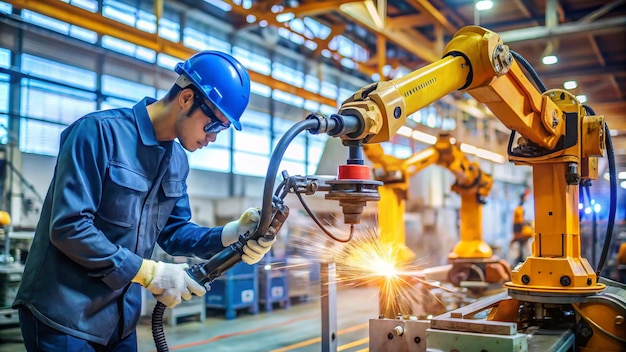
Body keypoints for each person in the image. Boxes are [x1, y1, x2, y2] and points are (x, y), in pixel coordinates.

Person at [12, 50, 276, 351]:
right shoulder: (98, 133)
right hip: (64, 314)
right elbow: (69, 226)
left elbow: (174, 233)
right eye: (213, 125)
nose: (213, 137)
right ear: (187, 98)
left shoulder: (176, 160)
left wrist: (231, 234)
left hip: (119, 320)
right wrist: (149, 273)